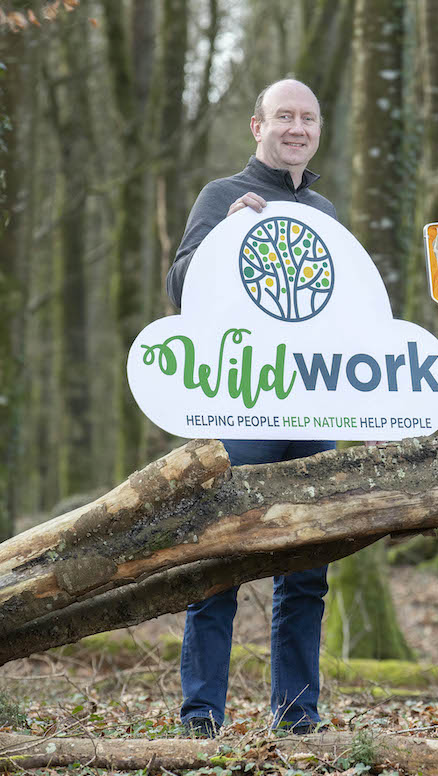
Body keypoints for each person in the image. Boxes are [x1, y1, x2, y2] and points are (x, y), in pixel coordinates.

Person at [166, 79, 336, 737]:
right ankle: (201, 717)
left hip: (315, 410)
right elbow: (180, 287)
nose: (296, 127)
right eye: (284, 116)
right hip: (241, 407)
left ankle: (297, 718)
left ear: (317, 130)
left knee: (307, 569)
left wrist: (369, 410)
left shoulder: (322, 209)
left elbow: (344, 316)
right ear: (257, 125)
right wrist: (222, 238)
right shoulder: (220, 196)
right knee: (218, 561)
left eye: (308, 118)